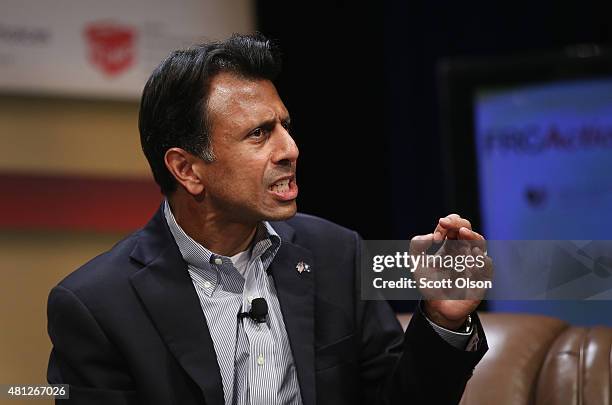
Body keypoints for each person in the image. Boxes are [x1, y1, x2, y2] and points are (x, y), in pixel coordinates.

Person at [47, 33, 488, 405]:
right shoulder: (96, 306)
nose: (290, 149)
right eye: (259, 134)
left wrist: (442, 319)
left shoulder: (338, 254)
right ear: (187, 169)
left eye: (284, 126)